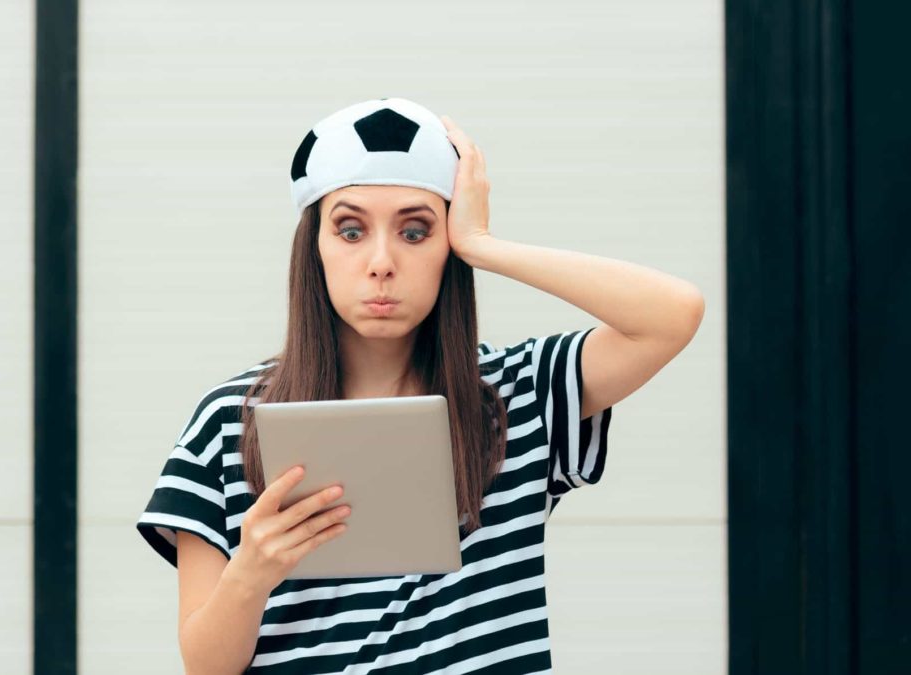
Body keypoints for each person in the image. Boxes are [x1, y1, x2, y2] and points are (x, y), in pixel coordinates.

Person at [135, 97, 704, 674]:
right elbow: (205, 667)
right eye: (351, 230)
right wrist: (251, 571)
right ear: (315, 249)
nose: (381, 262)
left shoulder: (515, 396)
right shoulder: (232, 420)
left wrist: (482, 245)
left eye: (415, 232)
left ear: (446, 250)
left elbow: (671, 315)